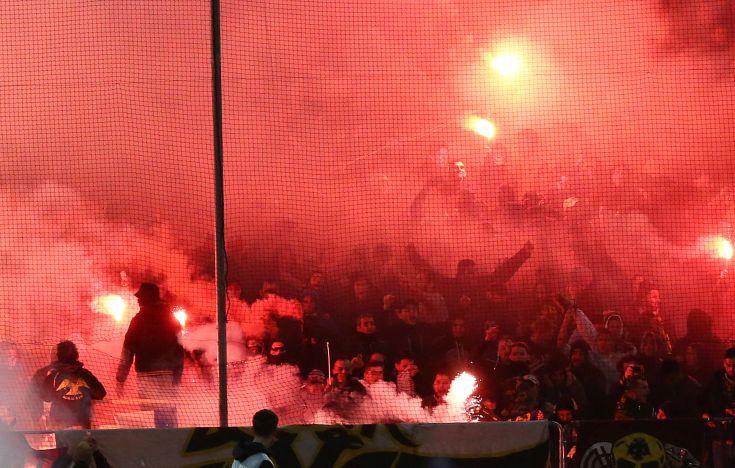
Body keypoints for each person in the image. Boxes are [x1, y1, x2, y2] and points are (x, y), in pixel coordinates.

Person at [116, 282, 184, 428]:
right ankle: (172, 438)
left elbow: (127, 351)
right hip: (168, 375)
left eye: (140, 298)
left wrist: (120, 379)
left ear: (146, 299)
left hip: (146, 376)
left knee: (153, 415)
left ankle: (160, 438)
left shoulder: (138, 320)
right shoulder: (171, 319)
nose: (138, 300)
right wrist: (177, 375)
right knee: (168, 412)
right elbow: (180, 349)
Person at [31, 341, 106, 429]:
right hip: (83, 425)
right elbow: (101, 393)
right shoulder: (86, 374)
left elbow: (45, 397)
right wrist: (85, 394)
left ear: (58, 356)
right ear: (76, 355)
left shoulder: (53, 376)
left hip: (60, 425)